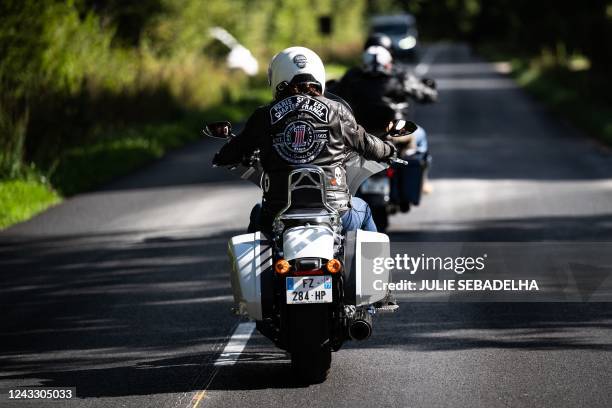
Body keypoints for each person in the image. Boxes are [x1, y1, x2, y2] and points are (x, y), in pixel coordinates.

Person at [212, 46, 397, 234]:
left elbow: (236, 149)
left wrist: (222, 156)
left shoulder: (264, 115)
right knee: (363, 210)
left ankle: (262, 264)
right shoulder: (337, 110)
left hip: (278, 212)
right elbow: (366, 144)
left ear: (276, 77)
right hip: (335, 210)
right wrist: (389, 150)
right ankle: (373, 264)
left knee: (258, 214)